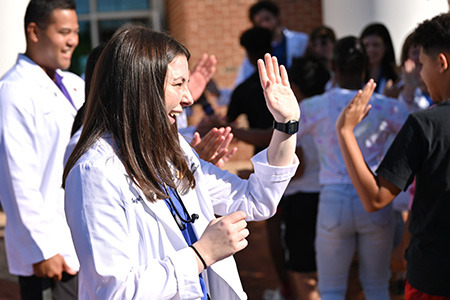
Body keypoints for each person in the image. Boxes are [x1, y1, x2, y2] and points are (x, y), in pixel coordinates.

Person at [62, 25, 299, 299]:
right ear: (142, 87)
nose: (188, 98)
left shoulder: (172, 150)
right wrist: (202, 253)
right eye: (178, 84)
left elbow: (256, 199)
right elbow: (114, 291)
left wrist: (285, 125)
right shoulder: (94, 172)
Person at [336, 13, 450, 298]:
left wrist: (345, 132)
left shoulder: (425, 124)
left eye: (422, 65)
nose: (421, 76)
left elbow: (376, 198)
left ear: (442, 63)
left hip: (434, 278)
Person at [297, 36, 409, 300]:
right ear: (365, 67)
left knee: (332, 289)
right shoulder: (387, 106)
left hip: (333, 201)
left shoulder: (315, 106)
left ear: (333, 66)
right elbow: (416, 138)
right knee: (377, 286)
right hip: (374, 197)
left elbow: (280, 137)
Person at [0, 0, 83, 299]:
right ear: (34, 31)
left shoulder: (74, 85)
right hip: (52, 256)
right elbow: (17, 179)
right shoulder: (13, 91)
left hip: (82, 245)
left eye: (75, 31)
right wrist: (44, 249)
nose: (73, 40)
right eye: (63, 32)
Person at [280, 55, 330, 300]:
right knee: (328, 270)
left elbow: (298, 166)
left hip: (301, 201)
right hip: (328, 197)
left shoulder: (298, 115)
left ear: (295, 86)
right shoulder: (330, 108)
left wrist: (256, 175)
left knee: (302, 271)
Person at [235, 0, 308, 86]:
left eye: (267, 19)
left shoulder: (302, 40)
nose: (265, 24)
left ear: (276, 17)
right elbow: (243, 79)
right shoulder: (255, 49)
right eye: (260, 22)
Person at [360, 23, 398, 95]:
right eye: (366, 45)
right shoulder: (353, 79)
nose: (371, 49)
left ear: (385, 47)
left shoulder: (396, 79)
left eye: (376, 45)